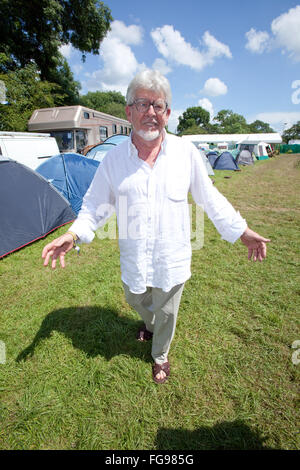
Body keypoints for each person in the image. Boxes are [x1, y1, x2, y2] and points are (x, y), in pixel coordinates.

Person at [42, 69, 270, 384]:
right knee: (136, 299)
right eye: (143, 104)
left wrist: (241, 230)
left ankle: (160, 355)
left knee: (167, 312)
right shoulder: (113, 160)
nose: (151, 113)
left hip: (171, 258)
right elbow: (95, 205)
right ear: (129, 111)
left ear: (168, 113)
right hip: (134, 257)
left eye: (158, 106)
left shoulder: (185, 153)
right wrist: (73, 233)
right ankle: (149, 325)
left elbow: (210, 197)